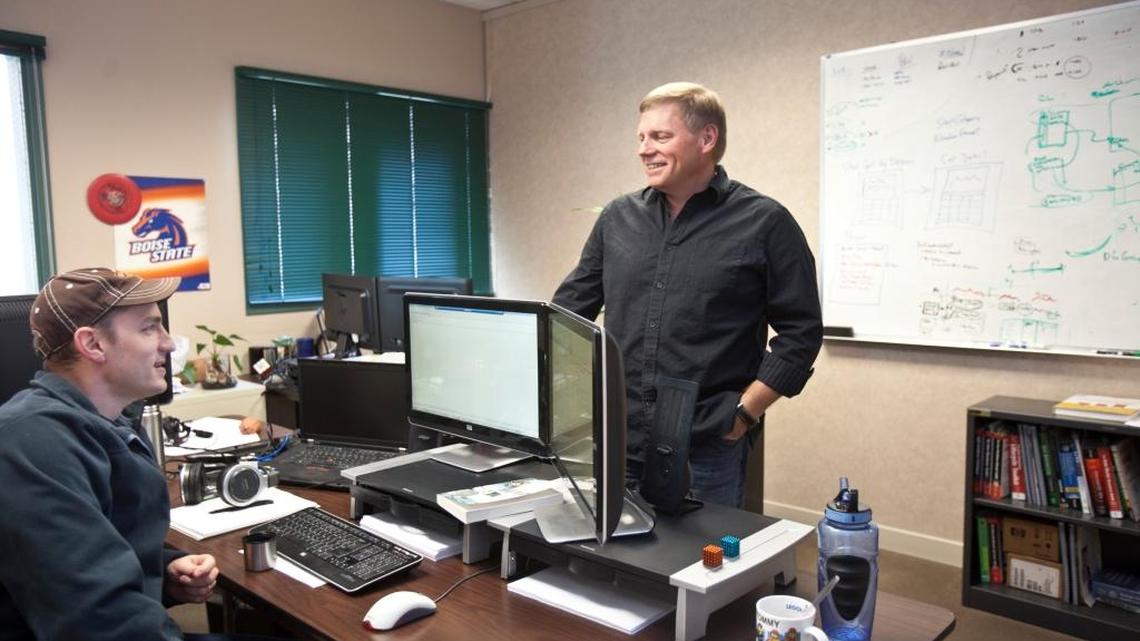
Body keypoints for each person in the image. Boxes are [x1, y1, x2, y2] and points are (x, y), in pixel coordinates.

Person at [553, 82, 823, 508]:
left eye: (660, 136)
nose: (645, 149)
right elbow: (566, 313)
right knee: (619, 565)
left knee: (701, 569)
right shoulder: (617, 219)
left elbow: (802, 332)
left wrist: (745, 413)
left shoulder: (766, 223)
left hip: (707, 445)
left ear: (707, 139)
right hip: (620, 441)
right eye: (641, 137)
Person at [0, 268, 281, 641]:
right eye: (149, 328)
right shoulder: (32, 444)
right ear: (93, 345)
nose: (168, 344)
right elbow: (100, 624)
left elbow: (77, 563)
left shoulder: (104, 423)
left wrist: (162, 575)